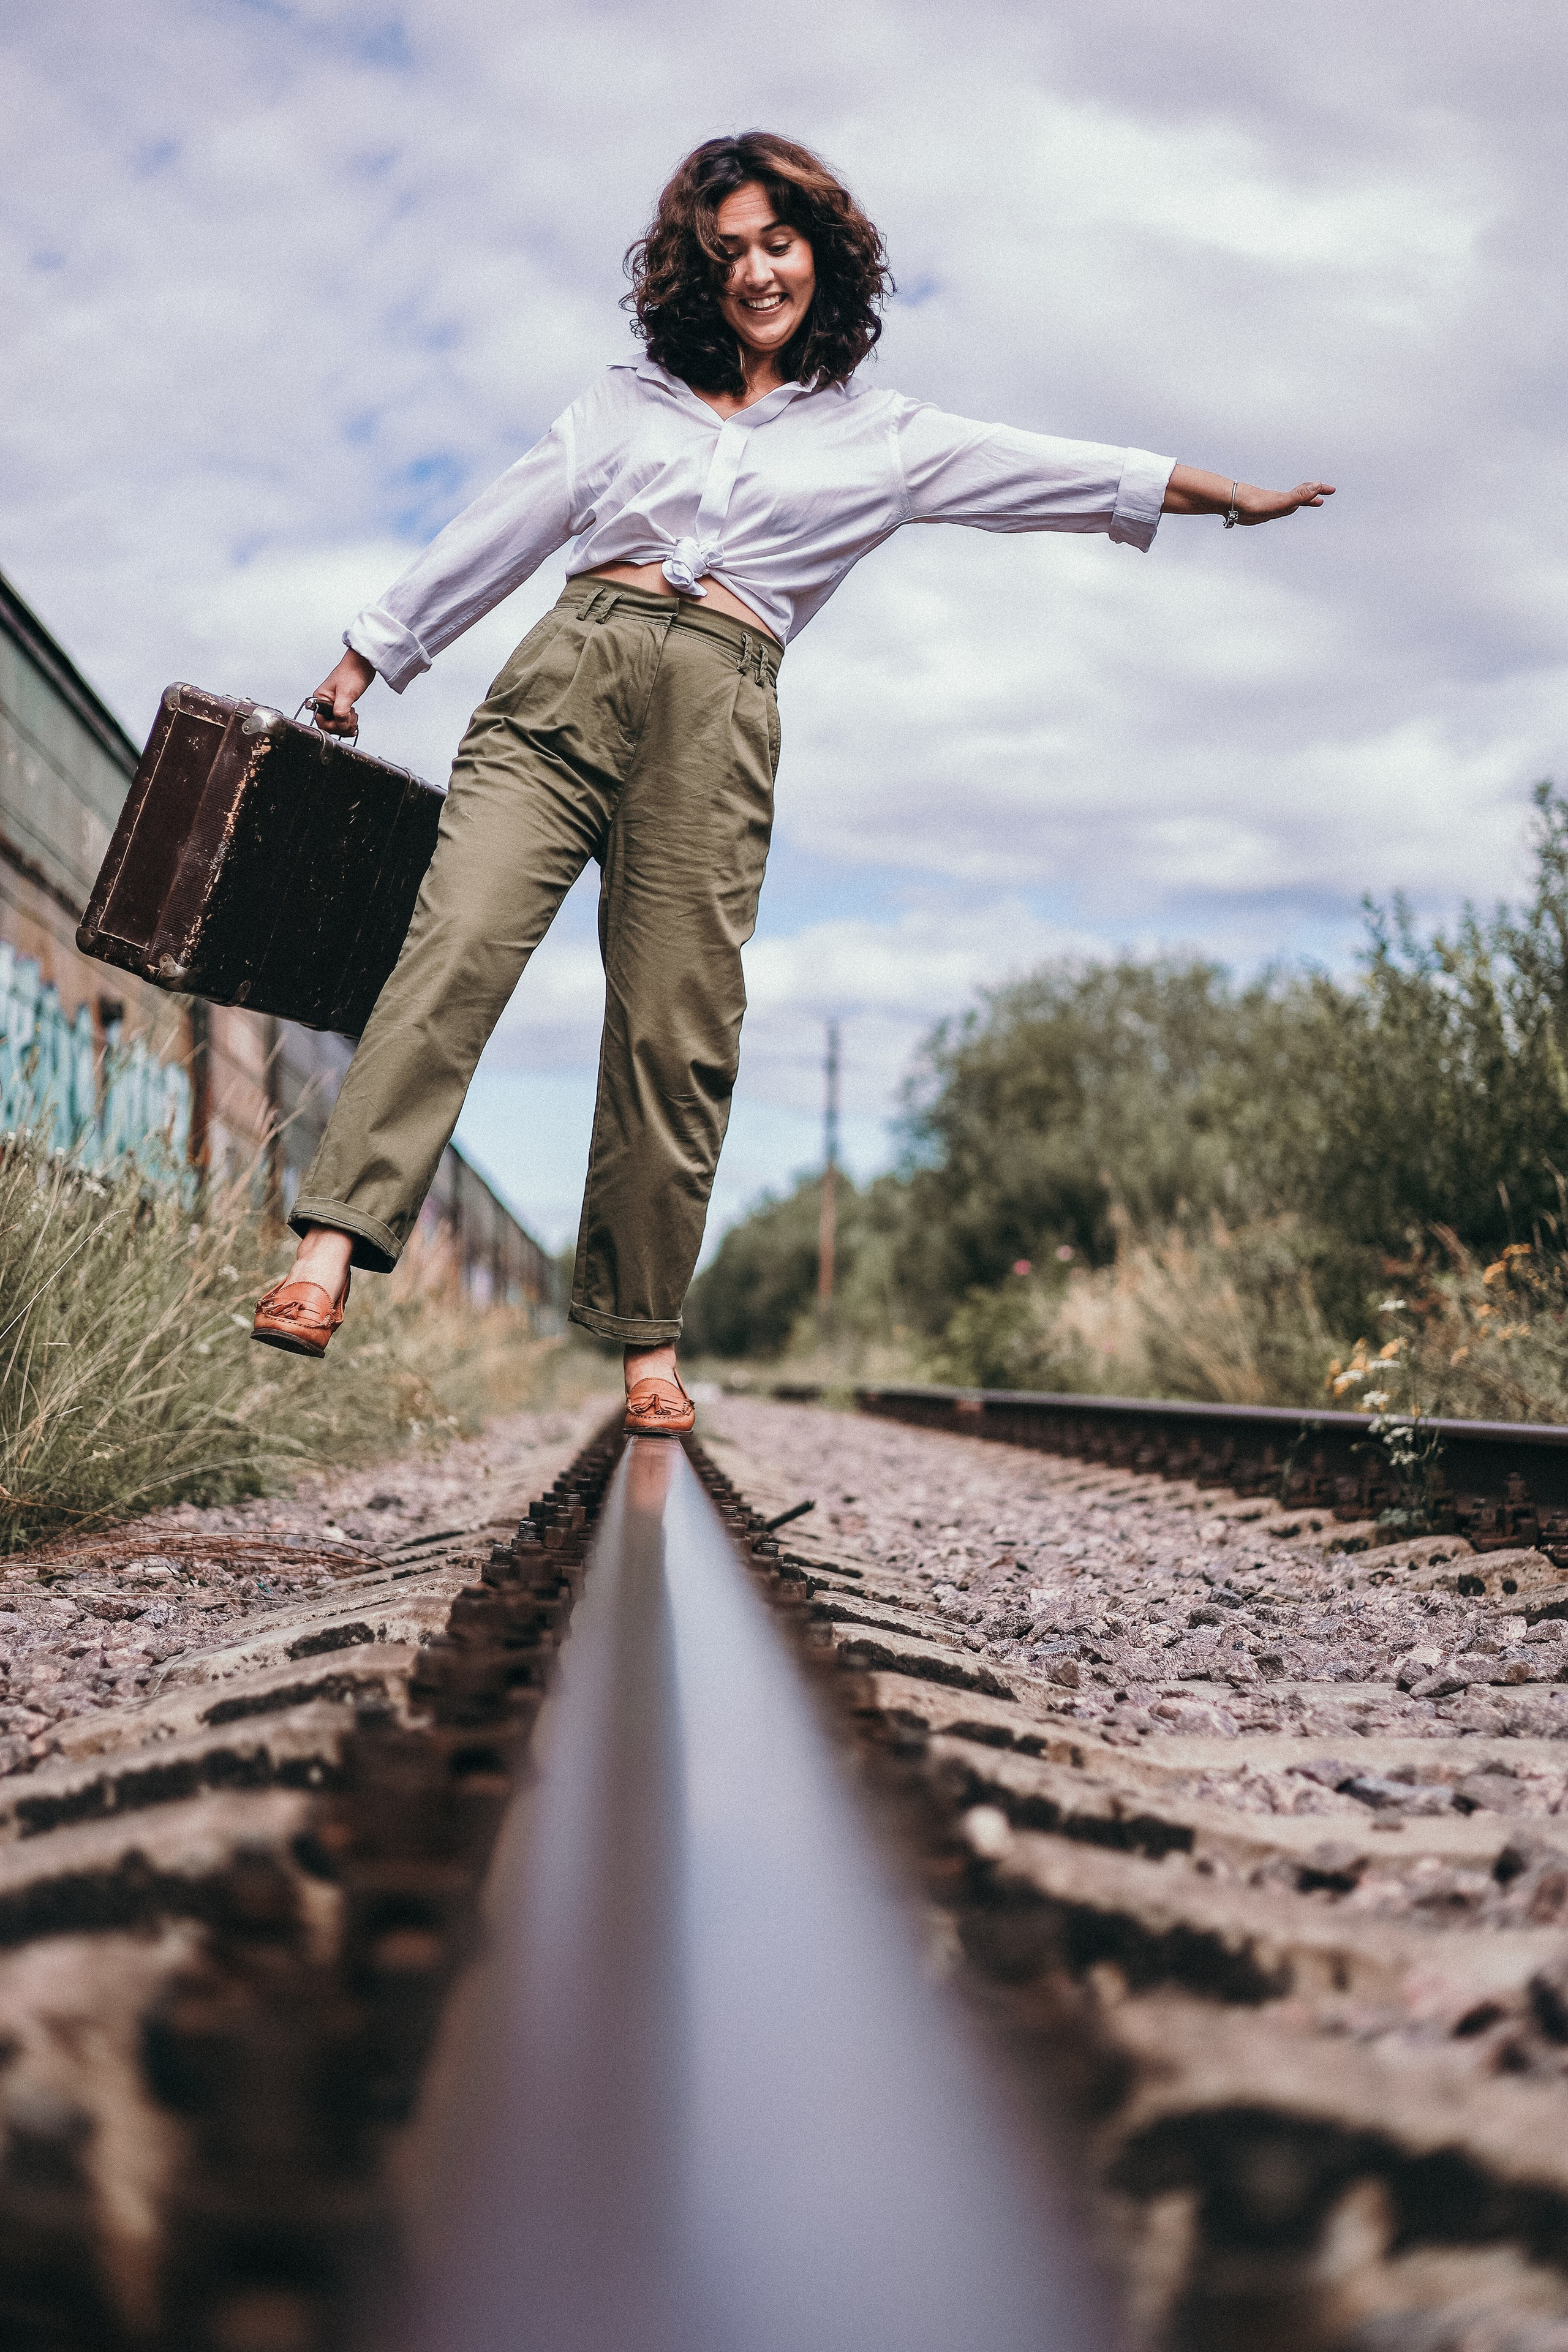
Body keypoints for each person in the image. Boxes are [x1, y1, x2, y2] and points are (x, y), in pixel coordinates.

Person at [252, 130, 1333, 1434]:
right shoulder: (622, 403)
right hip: (561, 687)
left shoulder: (881, 438)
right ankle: (326, 1255)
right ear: (691, 277)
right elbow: (501, 525)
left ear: (820, 249)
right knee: (455, 952)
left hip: (716, 719)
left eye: (776, 242)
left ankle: (644, 1339)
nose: (756, 272)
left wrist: (1230, 497)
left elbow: (1048, 470)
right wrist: (365, 660)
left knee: (676, 1028)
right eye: (726, 255)